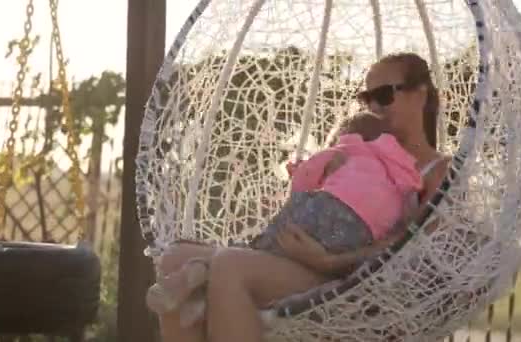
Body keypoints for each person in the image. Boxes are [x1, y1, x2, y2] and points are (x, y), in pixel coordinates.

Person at [155, 52, 450, 342]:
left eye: (384, 95)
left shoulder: (436, 171)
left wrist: (329, 261)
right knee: (175, 260)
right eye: (365, 98)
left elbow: (415, 247)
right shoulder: (357, 148)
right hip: (300, 258)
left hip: (348, 283)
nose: (373, 106)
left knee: (230, 265)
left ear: (420, 95)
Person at [146, 111, 423, 317]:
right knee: (261, 253)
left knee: (268, 243)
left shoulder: (349, 148)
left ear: (348, 134)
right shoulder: (403, 174)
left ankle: (199, 275)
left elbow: (306, 178)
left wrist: (300, 183)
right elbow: (405, 219)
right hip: (357, 240)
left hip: (322, 225)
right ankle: (201, 285)